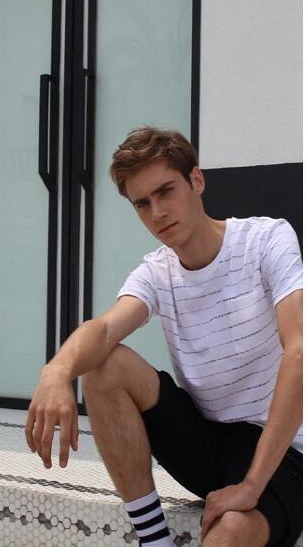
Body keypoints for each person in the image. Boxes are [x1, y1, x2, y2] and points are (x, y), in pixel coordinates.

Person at [25, 127, 302, 547]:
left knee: (230, 533)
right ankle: (154, 540)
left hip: (284, 451)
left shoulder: (265, 241)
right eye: (142, 203)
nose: (157, 212)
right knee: (103, 364)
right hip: (208, 443)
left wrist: (250, 486)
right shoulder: (157, 272)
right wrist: (56, 371)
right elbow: (103, 329)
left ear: (196, 180)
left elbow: (299, 350)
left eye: (165, 191)